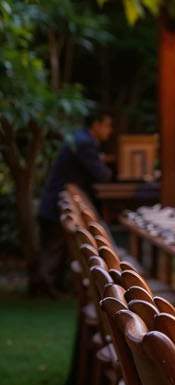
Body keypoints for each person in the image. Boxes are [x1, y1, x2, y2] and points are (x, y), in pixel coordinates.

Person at [35, 107, 113, 293]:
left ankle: (48, 288)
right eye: (107, 125)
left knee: (56, 250)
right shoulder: (85, 143)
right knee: (54, 250)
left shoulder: (79, 138)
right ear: (96, 125)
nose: (110, 130)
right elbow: (102, 175)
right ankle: (43, 289)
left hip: (54, 202)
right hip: (57, 205)